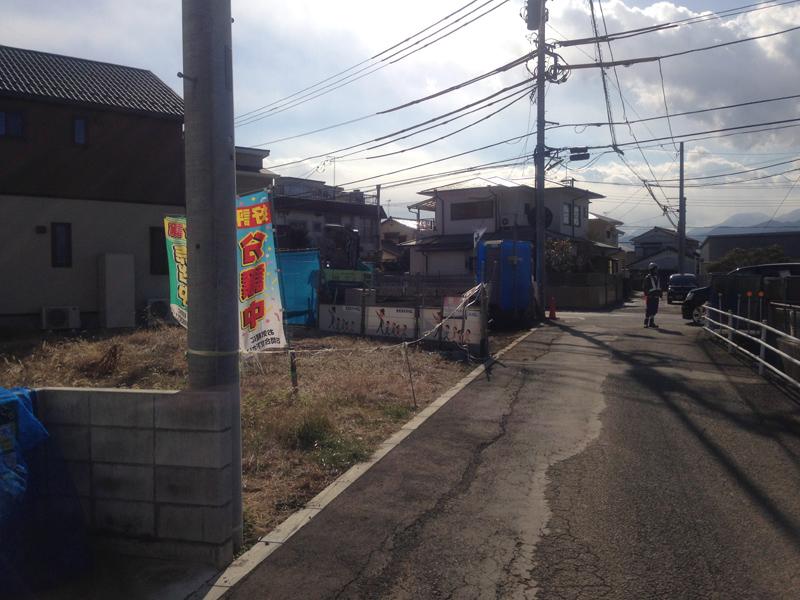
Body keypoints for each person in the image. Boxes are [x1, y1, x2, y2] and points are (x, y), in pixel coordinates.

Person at [643, 262, 662, 328]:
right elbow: (645, 287)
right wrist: (647, 294)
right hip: (650, 296)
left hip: (656, 296)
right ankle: (646, 323)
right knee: (649, 309)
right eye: (655, 269)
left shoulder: (658, 277)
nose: (656, 270)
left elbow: (659, 286)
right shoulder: (648, 277)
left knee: (654, 310)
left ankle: (651, 322)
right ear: (651, 269)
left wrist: (660, 294)